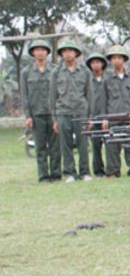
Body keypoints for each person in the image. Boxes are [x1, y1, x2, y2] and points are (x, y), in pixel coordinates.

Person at [49, 40, 94, 183]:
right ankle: (69, 173)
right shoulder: (56, 72)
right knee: (65, 144)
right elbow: (52, 96)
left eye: (70, 51)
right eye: (64, 51)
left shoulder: (85, 71)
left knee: (83, 144)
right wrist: (54, 118)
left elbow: (90, 95)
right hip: (63, 112)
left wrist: (90, 117)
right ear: (61, 54)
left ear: (76, 53)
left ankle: (85, 172)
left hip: (81, 112)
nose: (67, 54)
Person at [99, 45, 130, 178]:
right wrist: (104, 118)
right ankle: (112, 171)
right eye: (114, 58)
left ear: (124, 59)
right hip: (113, 118)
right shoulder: (106, 80)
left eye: (119, 57)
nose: (117, 60)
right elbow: (103, 100)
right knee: (112, 146)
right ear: (110, 61)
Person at [20, 39, 61, 182]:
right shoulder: (26, 72)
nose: (40, 52)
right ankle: (43, 176)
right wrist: (27, 115)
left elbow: (59, 92)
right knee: (40, 147)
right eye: (37, 50)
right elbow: (25, 95)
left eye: (43, 50)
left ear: (47, 52)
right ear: (33, 53)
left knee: (55, 147)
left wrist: (59, 113)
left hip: (53, 114)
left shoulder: (55, 70)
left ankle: (56, 175)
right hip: (36, 115)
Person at [86, 53, 108, 177]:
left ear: (103, 64)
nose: (96, 64)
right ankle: (98, 170)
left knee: (110, 144)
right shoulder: (87, 80)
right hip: (93, 118)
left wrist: (107, 117)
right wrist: (88, 118)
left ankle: (111, 169)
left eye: (98, 62)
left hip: (106, 116)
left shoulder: (108, 78)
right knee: (95, 145)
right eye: (93, 62)